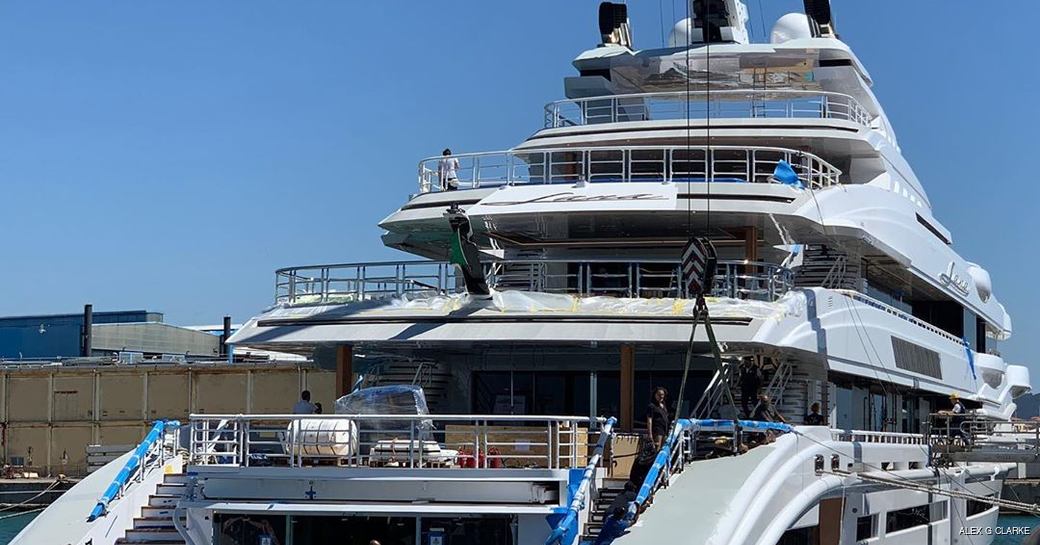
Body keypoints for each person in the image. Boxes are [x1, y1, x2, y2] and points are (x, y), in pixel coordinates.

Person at [593, 481, 639, 545]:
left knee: (607, 531)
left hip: (608, 513)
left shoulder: (609, 518)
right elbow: (633, 521)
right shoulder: (620, 524)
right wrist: (638, 509)